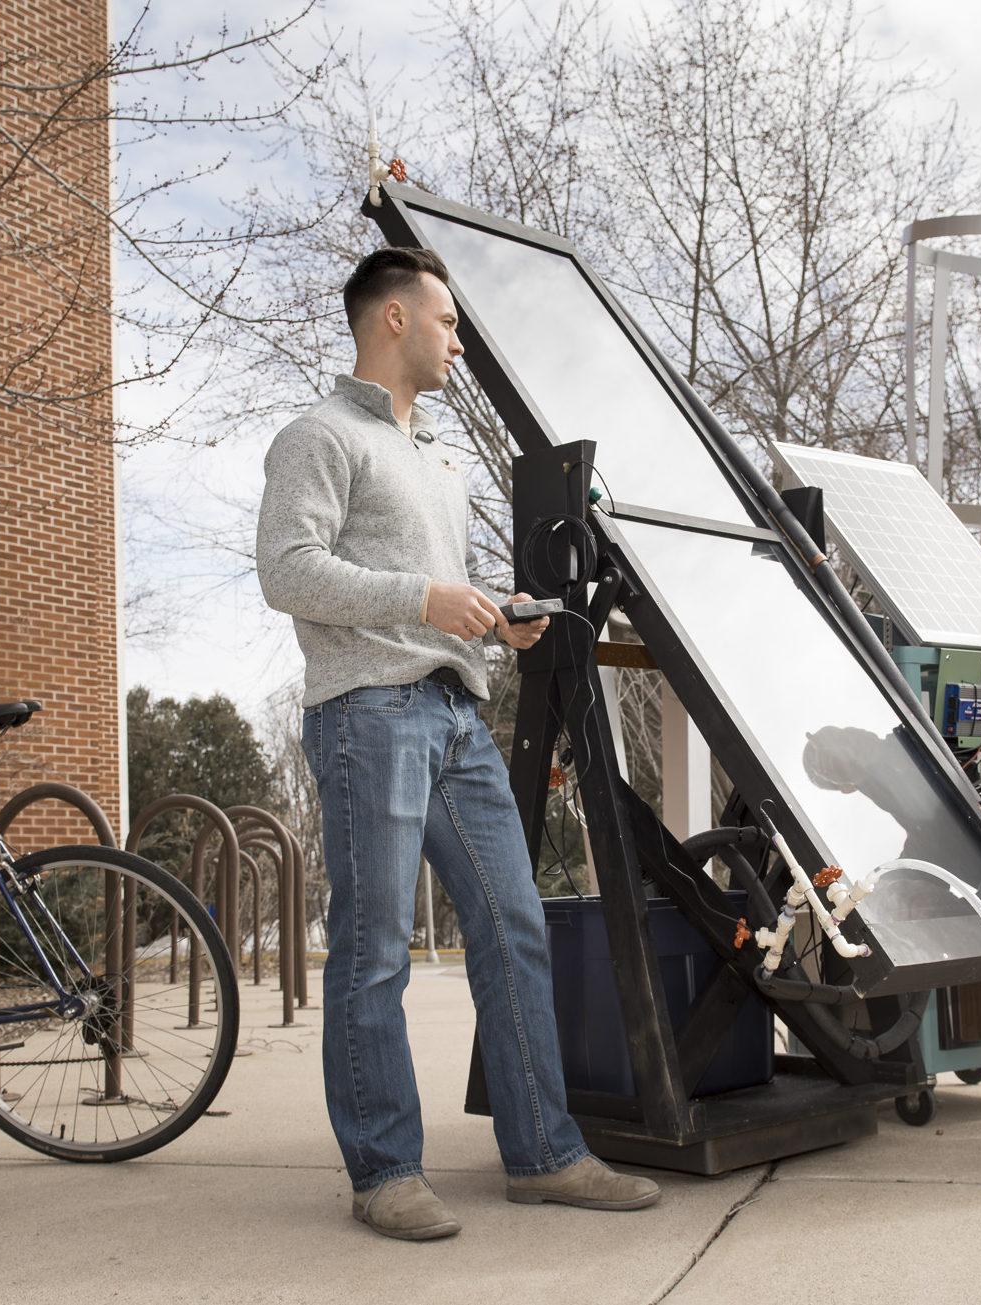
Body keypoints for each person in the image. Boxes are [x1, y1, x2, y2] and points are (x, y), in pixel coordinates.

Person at [256, 247, 660, 1239]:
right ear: (392, 318)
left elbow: (437, 593)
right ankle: (385, 1170)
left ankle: (544, 1154)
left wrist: (491, 617)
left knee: (514, 925)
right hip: (366, 713)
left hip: (453, 709)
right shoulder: (316, 436)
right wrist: (424, 598)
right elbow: (287, 571)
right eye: (445, 321)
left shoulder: (441, 457)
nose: (457, 339)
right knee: (374, 946)